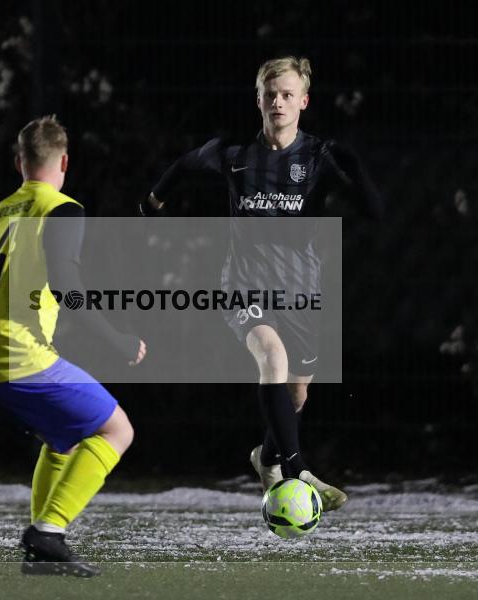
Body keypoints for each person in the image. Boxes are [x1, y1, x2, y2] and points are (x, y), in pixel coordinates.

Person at [142, 56, 383, 512]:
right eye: (270, 94)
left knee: (296, 393)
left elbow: (374, 212)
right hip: (244, 286)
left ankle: (268, 457)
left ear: (303, 102)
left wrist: (355, 167)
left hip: (300, 291)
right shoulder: (234, 153)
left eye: (288, 95)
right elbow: (186, 164)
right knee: (272, 357)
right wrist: (152, 201)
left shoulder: (318, 157)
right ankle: (298, 473)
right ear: (258, 99)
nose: (278, 102)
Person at [0, 115, 146, 577]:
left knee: (64, 438)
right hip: (16, 354)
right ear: (65, 162)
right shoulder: (61, 209)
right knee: (117, 430)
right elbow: (65, 284)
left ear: (19, 162)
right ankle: (49, 533)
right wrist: (116, 339)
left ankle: (42, 551)